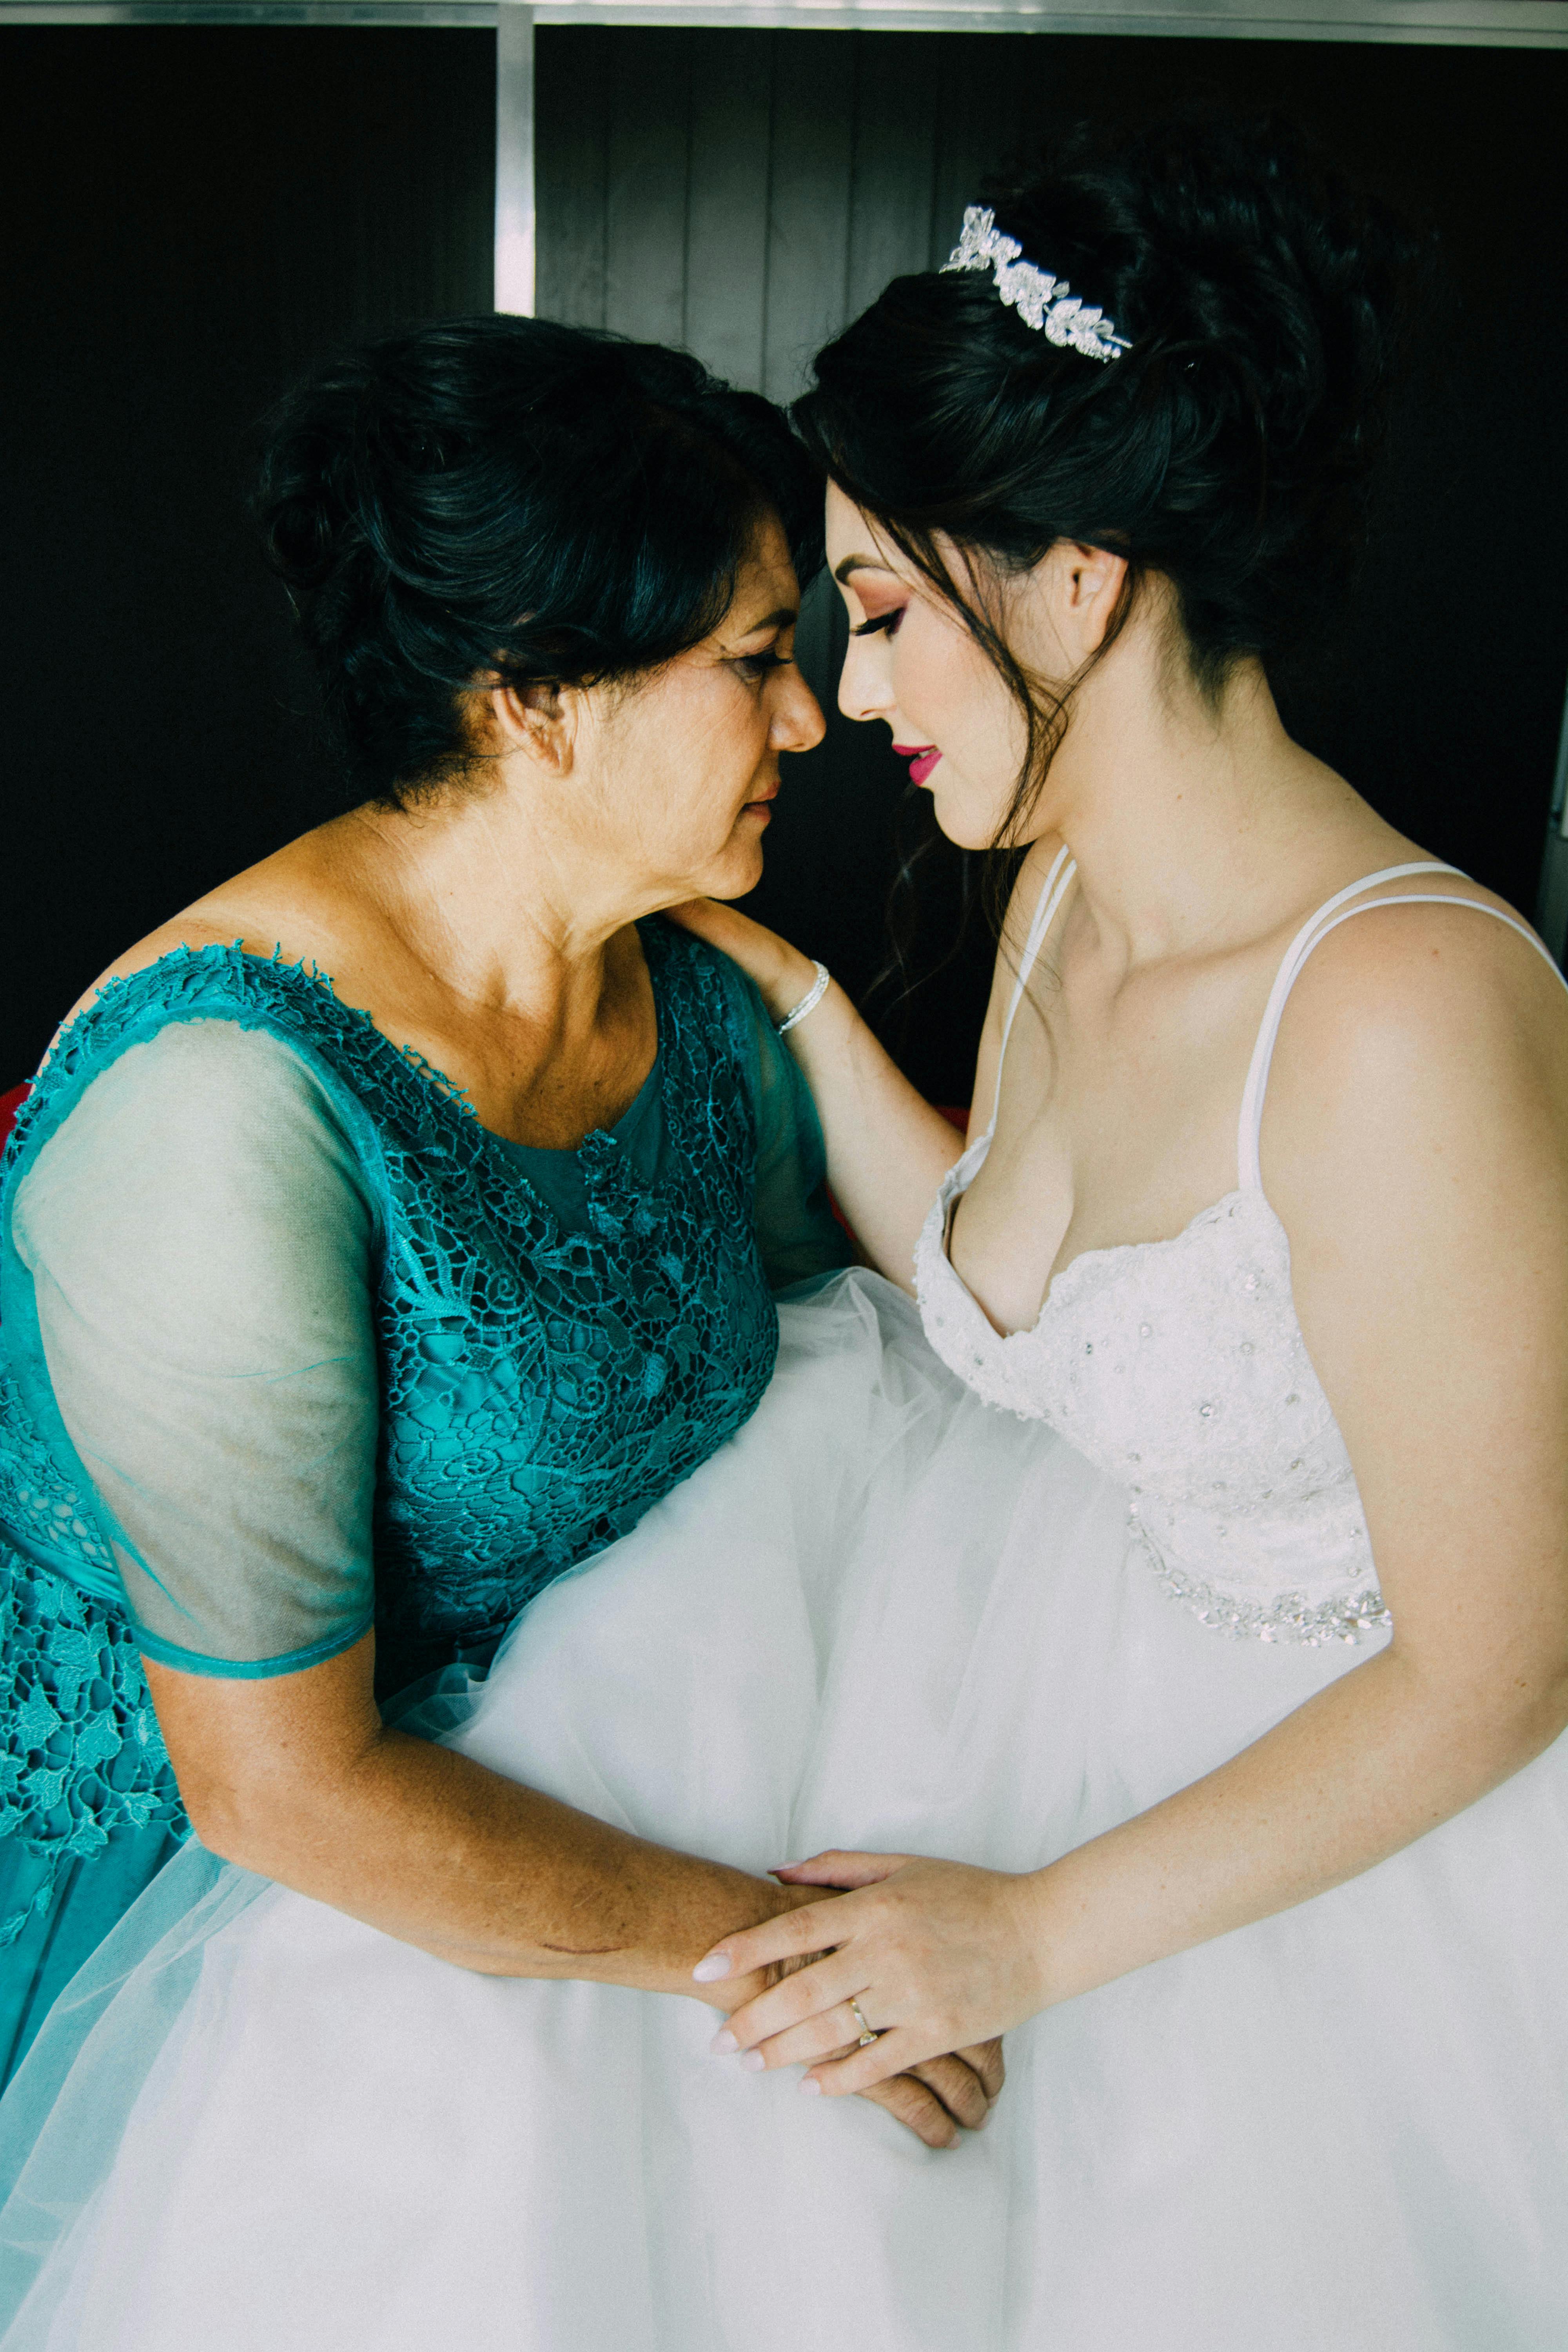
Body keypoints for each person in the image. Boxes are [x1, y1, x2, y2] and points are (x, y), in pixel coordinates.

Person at [4, 120, 1566, 2351]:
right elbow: (1001, 1276)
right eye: (790, 646)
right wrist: (808, 995)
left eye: (880, 619)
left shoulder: (1386, 1008)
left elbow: (1502, 1651)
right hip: (749, 1732)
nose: (844, 709)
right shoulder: (1043, 904)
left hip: (1277, 1807)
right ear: (536, 695)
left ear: (1083, 583)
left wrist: (1007, 1935)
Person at [0, 315, 1000, 2156]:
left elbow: (959, 1336)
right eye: (755, 660)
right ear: (531, 696)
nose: (812, 717)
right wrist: (783, 1952)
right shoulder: (219, 1105)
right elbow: (283, 1796)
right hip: (195, 1903)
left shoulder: (691, 992)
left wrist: (795, 991)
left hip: (596, 1792)